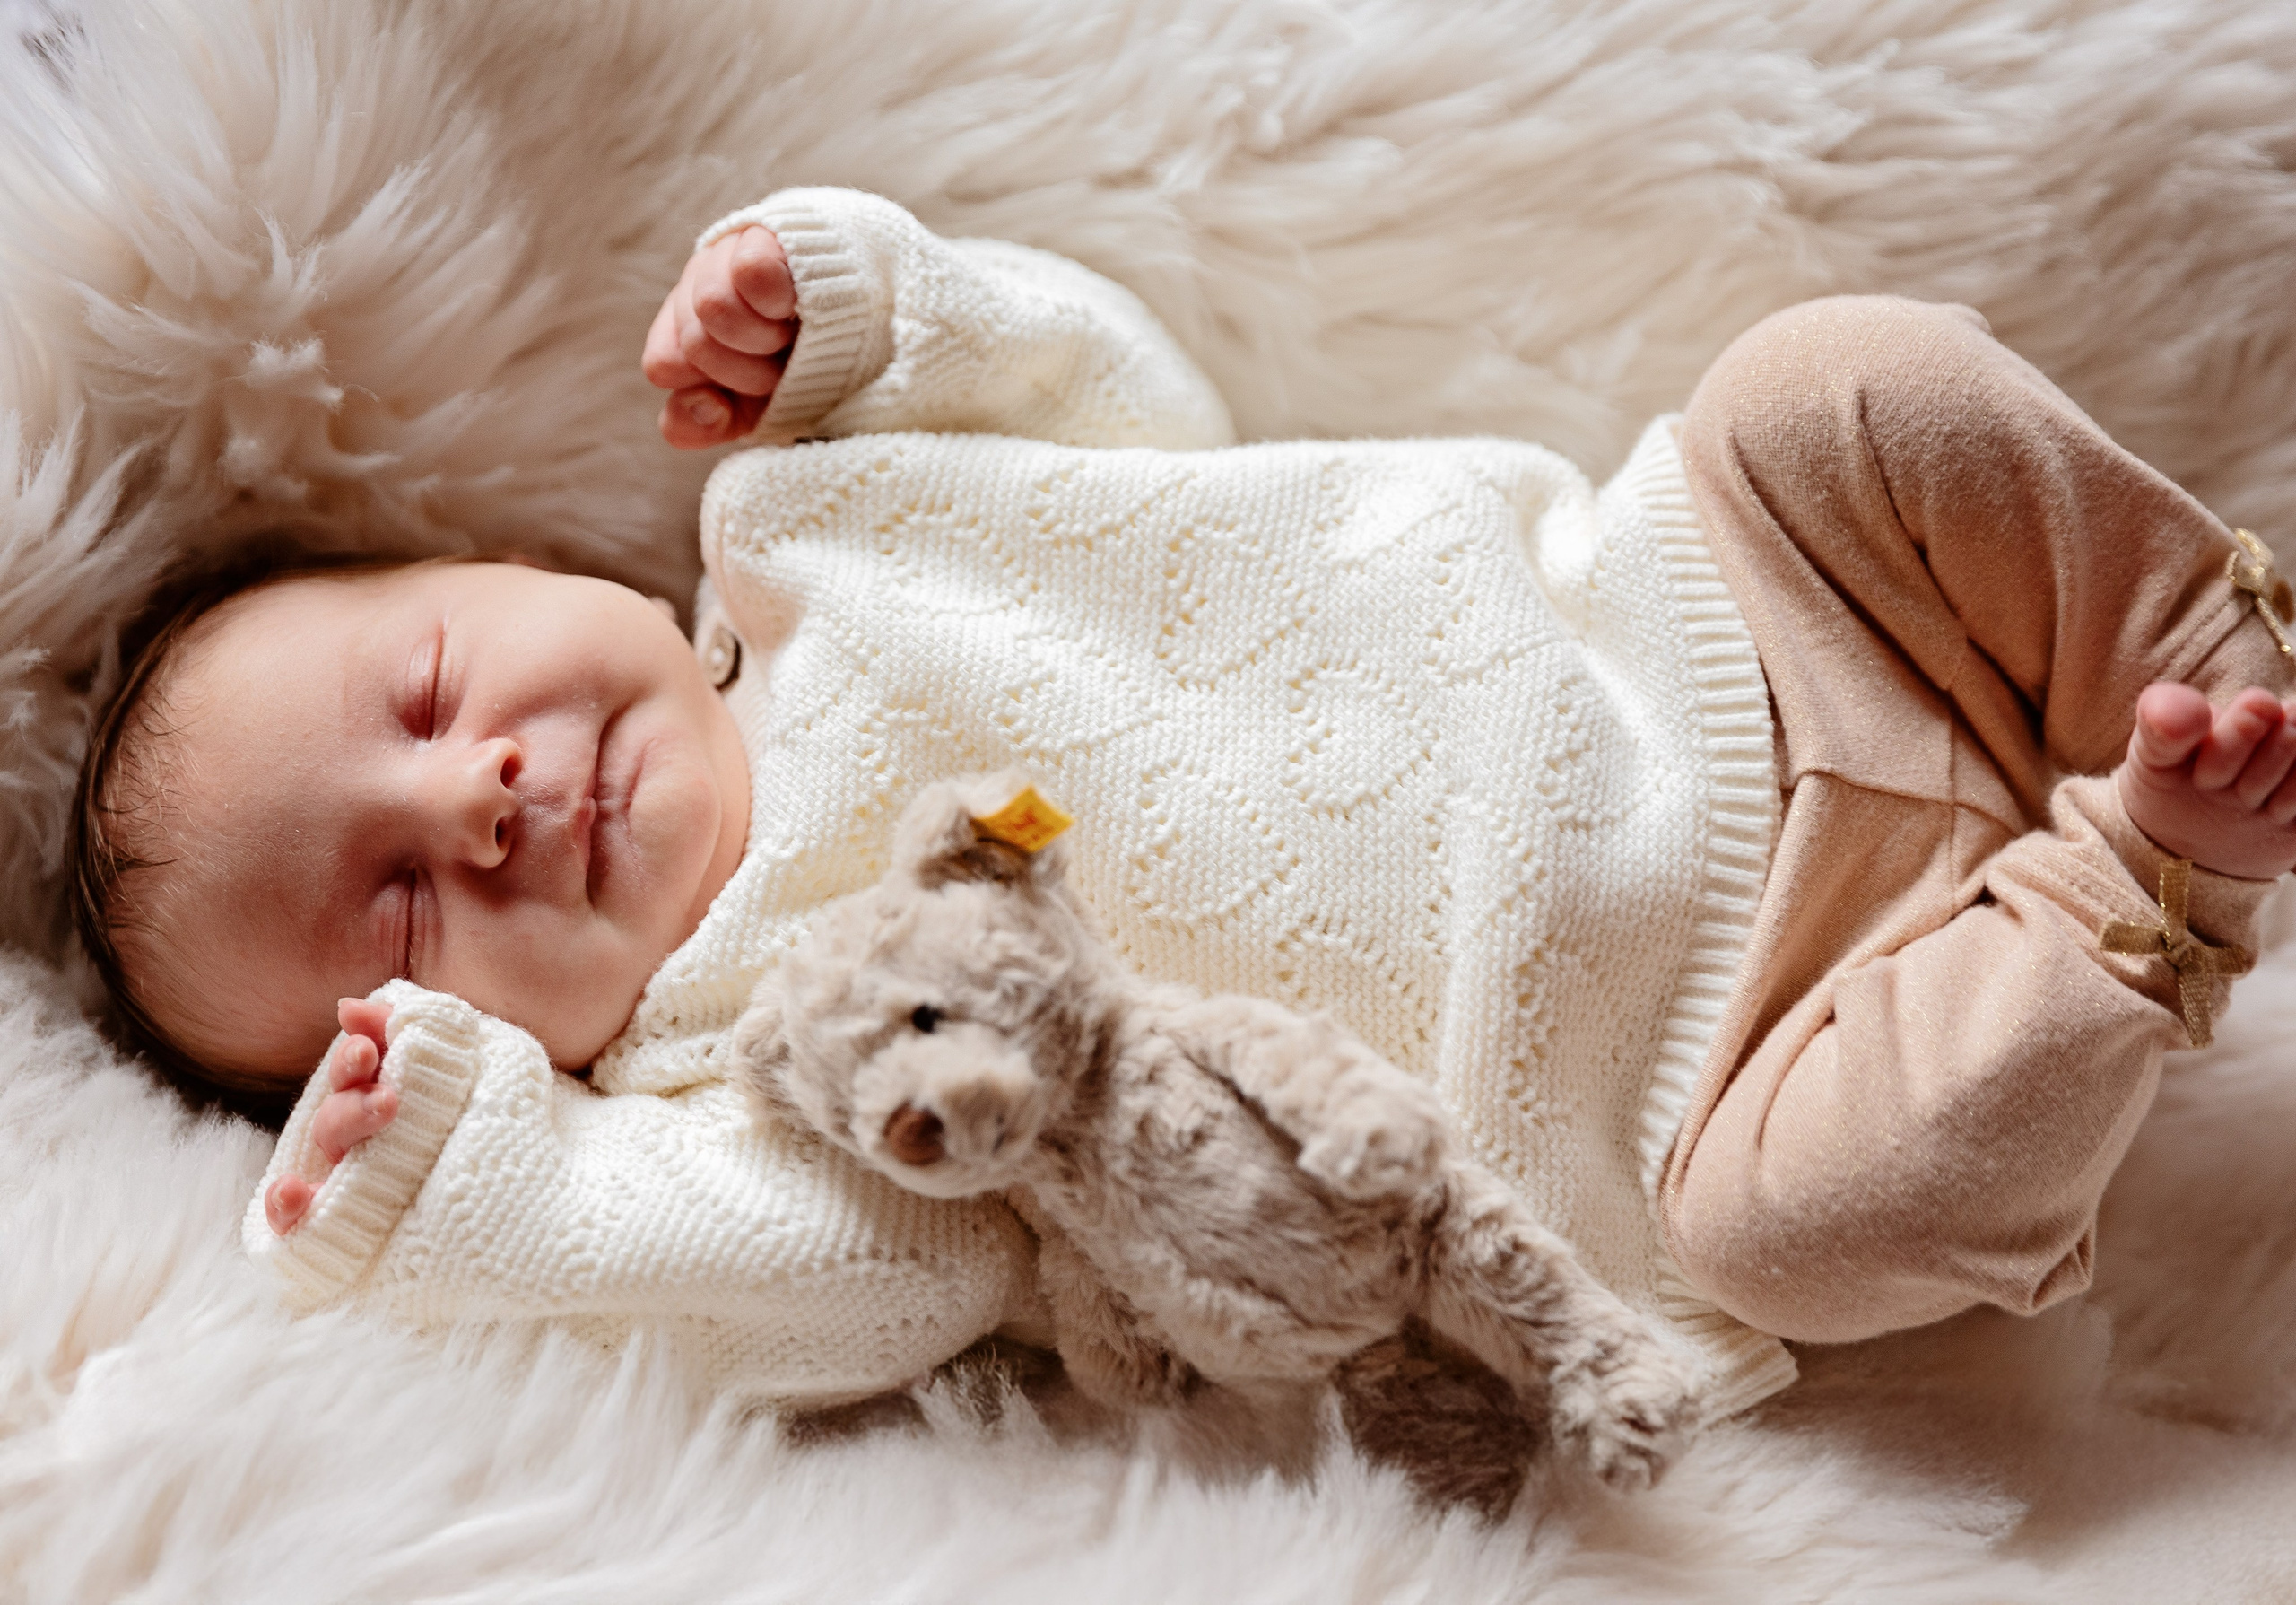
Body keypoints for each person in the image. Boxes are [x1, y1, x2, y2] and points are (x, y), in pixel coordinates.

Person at [70, 188, 2296, 1414]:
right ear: (469, 1040)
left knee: (1824, 386)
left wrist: (869, 313)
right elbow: (830, 1291)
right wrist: (475, 1184)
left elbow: (1123, 401)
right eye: (395, 908)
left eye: (428, 691)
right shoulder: (749, 1075)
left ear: (511, 565)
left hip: (1713, 608)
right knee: (1814, 1231)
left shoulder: (814, 520)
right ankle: (2143, 881)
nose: (473, 798)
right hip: (1714, 1079)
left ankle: (2192, 644)